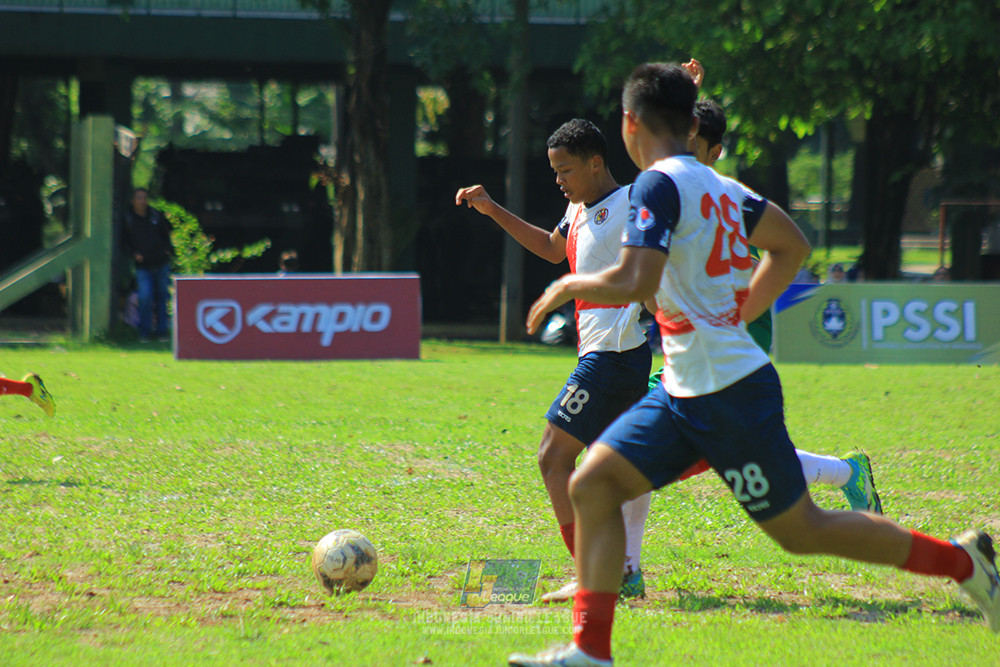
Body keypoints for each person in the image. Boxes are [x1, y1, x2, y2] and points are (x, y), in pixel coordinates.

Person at [510, 62, 999, 667]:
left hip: (730, 390)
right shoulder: (719, 185)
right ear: (688, 124)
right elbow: (792, 245)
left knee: (803, 531)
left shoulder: (659, 185)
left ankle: (963, 562)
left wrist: (566, 288)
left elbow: (638, 277)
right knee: (593, 483)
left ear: (629, 124)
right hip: (688, 384)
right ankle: (591, 649)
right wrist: (740, 314)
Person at [455, 118, 653, 600]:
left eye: (565, 170)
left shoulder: (631, 203)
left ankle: (595, 570)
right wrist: (491, 209)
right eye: (554, 171)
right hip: (612, 355)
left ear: (596, 163)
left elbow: (667, 167)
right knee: (617, 467)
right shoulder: (577, 207)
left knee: (552, 456)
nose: (558, 180)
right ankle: (621, 571)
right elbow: (550, 248)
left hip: (614, 355)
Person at [123, 187, 173, 342]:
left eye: (144, 198)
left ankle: (162, 332)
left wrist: (167, 250)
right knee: (145, 297)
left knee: (161, 297)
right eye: (139, 198)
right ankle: (144, 332)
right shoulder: (128, 219)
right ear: (133, 201)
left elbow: (167, 235)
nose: (142, 201)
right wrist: (134, 254)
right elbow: (123, 242)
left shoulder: (156, 216)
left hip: (161, 263)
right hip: (143, 266)